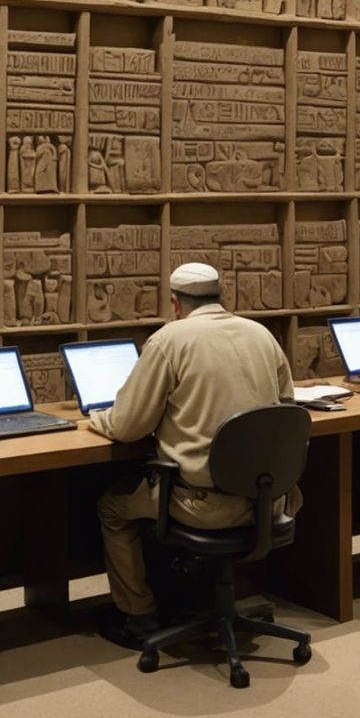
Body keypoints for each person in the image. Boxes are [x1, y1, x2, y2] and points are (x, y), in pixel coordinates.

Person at [89, 262, 300, 650]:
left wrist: (96, 417)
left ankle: (139, 615)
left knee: (112, 508)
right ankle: (193, 598)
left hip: (204, 505)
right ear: (221, 297)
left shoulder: (170, 340)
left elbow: (127, 427)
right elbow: (286, 407)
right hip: (269, 500)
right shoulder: (262, 334)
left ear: (175, 303)